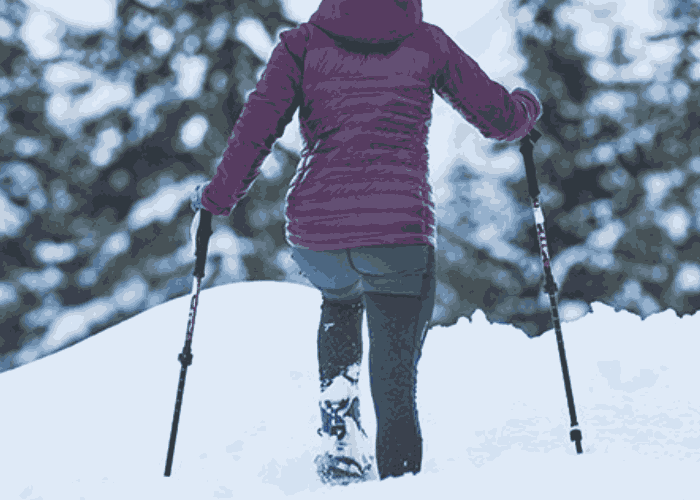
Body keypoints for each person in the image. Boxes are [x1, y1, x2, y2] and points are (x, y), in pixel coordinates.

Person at [192, 0, 541, 484]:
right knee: (395, 378)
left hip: (318, 233)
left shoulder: (301, 46)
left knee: (339, 304)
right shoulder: (427, 43)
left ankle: (340, 439)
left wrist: (215, 199)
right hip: (398, 233)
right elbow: (500, 119)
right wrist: (525, 108)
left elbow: (253, 134)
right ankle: (398, 483)